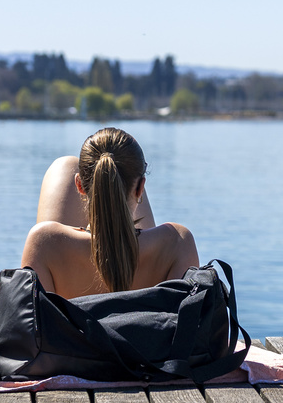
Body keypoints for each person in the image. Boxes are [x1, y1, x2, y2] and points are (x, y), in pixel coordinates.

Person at [22, 127, 199, 298]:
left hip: (71, 327)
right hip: (145, 327)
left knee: (65, 165)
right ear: (141, 188)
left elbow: (32, 324)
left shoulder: (45, 244)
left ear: (79, 185)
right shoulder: (178, 243)